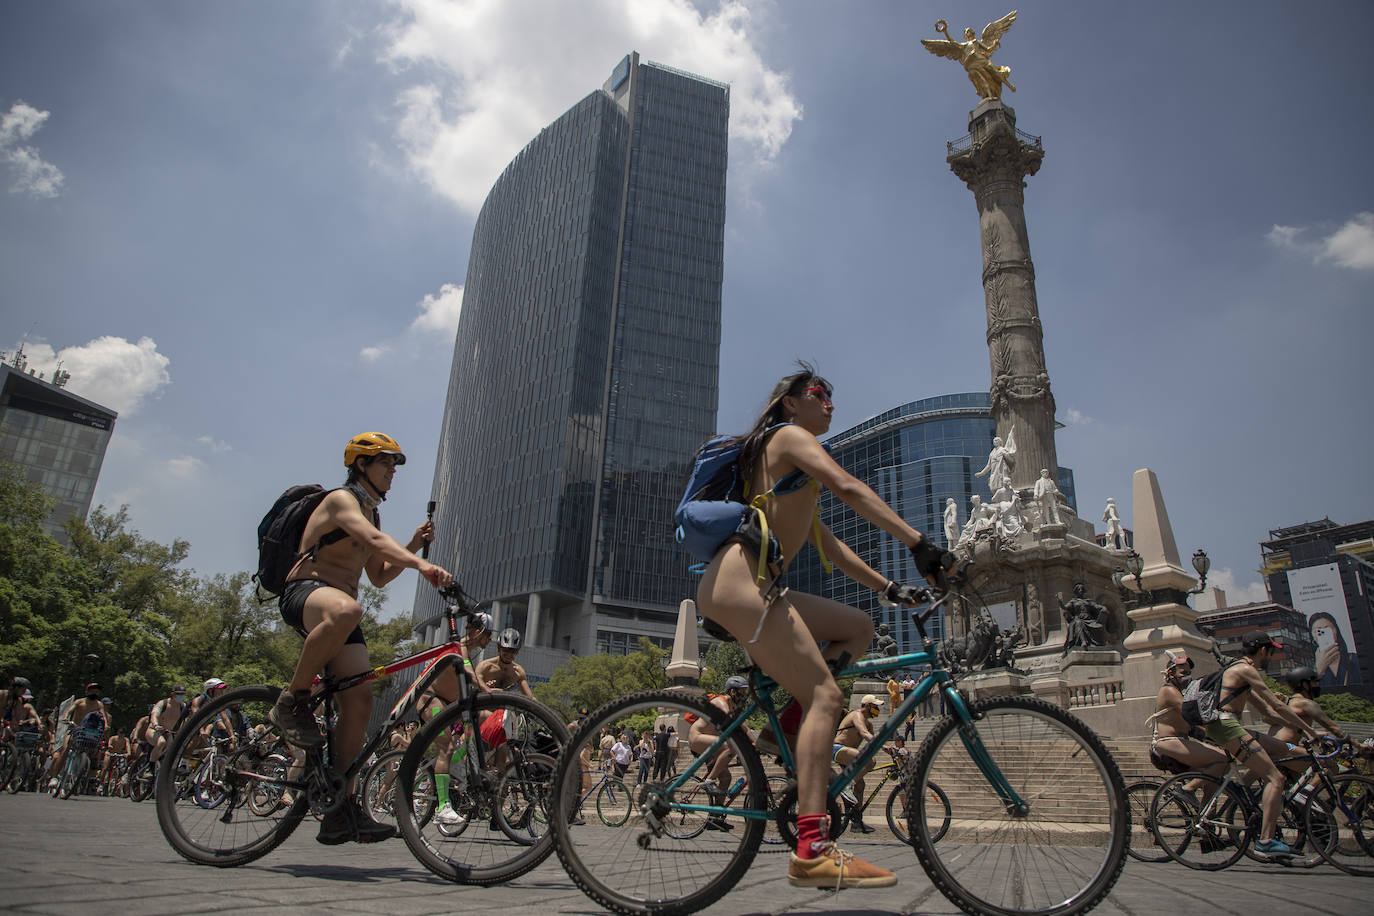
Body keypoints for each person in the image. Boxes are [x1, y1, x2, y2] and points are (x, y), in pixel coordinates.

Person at [694, 364, 952, 890]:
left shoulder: (795, 477)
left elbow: (830, 546)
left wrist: (888, 589)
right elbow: (849, 485)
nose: (830, 403)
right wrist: (919, 543)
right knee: (827, 699)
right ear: (791, 403)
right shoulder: (787, 437)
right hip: (741, 584)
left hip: (761, 586)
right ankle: (812, 849)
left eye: (832, 396)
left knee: (858, 627)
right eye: (819, 394)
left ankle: (784, 726)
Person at [270, 432, 453, 845]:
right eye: (385, 463)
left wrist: (412, 547)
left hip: (341, 609)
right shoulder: (340, 500)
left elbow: (378, 575)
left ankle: (340, 807)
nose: (392, 472)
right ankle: (290, 701)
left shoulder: (372, 514)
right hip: (307, 593)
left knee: (360, 700)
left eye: (393, 465)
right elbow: (372, 543)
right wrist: (424, 566)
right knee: (349, 610)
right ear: (361, 466)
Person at [1208, 631, 1321, 857]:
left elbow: (1268, 713)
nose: (1270, 657)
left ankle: (1249, 794)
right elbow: (1277, 706)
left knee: (1285, 750)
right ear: (1262, 651)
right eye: (1271, 652)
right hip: (1226, 726)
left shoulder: (1241, 672)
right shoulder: (1245, 669)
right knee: (1276, 778)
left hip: (1229, 726)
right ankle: (1265, 841)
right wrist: (1310, 730)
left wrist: (1303, 731)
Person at [1145, 652, 1226, 780]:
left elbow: (1191, 727)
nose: (1187, 677)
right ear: (1171, 674)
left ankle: (1204, 800)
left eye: (1189, 673)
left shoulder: (1180, 692)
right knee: (1222, 759)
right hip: (1168, 743)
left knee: (1213, 777)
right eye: (1183, 673)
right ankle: (1186, 790)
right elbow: (1193, 715)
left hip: (1180, 741)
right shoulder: (1169, 691)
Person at [687, 676, 752, 832]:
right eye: (742, 692)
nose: (744, 695)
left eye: (745, 691)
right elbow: (729, 720)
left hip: (712, 743)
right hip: (697, 738)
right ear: (732, 691)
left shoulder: (734, 707)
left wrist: (756, 744)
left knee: (726, 778)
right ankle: (709, 781)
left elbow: (746, 729)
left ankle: (714, 818)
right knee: (730, 746)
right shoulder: (721, 702)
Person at [832, 695, 884, 833]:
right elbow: (864, 733)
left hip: (849, 754)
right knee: (870, 761)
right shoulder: (856, 715)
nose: (877, 710)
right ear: (867, 706)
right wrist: (883, 746)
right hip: (838, 750)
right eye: (875, 707)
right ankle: (846, 786)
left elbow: (873, 741)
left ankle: (856, 821)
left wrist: (893, 751)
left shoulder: (869, 723)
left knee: (860, 785)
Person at [1272, 666, 1348, 746]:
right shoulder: (1305, 703)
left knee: (1311, 754)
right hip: (1285, 747)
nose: (1317, 685)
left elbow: (1296, 728)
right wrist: (1357, 745)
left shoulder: (1288, 702)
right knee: (1309, 756)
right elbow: (1331, 726)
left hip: (1274, 746)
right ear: (1305, 684)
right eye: (1314, 682)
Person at [48, 683, 106, 787]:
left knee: (95, 751)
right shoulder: (79, 702)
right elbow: (70, 710)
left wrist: (105, 725)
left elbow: (103, 716)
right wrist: (66, 717)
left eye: (97, 691)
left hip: (88, 733)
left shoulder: (99, 704)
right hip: (74, 730)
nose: (95, 693)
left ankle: (87, 778)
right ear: (87, 691)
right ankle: (54, 778)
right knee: (65, 750)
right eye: (92, 690)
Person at [1309, 612, 1361, 688]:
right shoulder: (1308, 665)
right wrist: (1318, 672)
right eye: (1318, 630)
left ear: (1336, 631)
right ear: (1313, 636)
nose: (1323, 633)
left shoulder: (1354, 659)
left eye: (1328, 629)